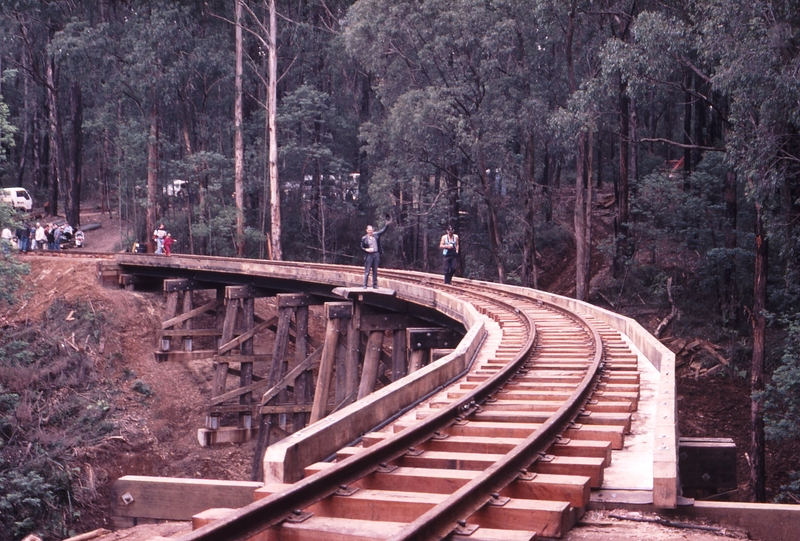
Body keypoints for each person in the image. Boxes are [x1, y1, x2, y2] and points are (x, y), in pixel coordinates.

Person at [360, 221, 389, 288]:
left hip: (376, 254)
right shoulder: (364, 238)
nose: (370, 231)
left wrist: (387, 225)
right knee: (367, 271)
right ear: (367, 230)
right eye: (369, 230)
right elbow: (361, 247)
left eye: (371, 230)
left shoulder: (376, 235)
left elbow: (383, 231)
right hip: (369, 255)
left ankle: (375, 285)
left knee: (375, 270)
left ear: (373, 230)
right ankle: (364, 285)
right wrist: (366, 249)